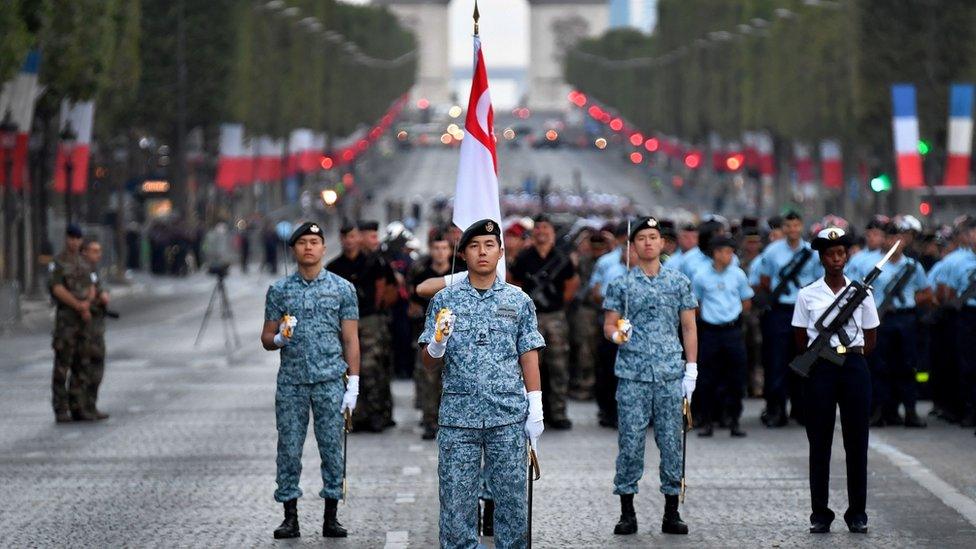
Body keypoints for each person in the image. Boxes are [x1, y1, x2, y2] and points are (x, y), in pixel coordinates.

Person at [419, 219, 545, 549]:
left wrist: (536, 405)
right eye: (474, 246)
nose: (482, 252)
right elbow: (428, 362)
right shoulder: (444, 300)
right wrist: (437, 343)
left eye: (489, 245)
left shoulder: (519, 300)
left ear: (501, 252)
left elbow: (528, 352)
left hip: (507, 414)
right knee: (457, 502)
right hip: (459, 418)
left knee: (512, 503)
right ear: (463, 255)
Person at [262, 221, 361, 539]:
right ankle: (289, 515)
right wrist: (279, 338)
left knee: (332, 449)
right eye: (302, 242)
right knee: (289, 449)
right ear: (294, 249)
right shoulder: (279, 290)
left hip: (330, 380)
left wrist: (354, 382)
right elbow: (265, 337)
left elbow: (351, 339)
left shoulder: (342, 289)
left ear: (323, 247)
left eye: (314, 241)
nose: (308, 247)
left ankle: (331, 515)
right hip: (292, 382)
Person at [603, 216, 698, 536]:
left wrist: (692, 368)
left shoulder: (678, 282)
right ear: (633, 245)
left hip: (670, 372)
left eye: (653, 237)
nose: (647, 242)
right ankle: (627, 510)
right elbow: (608, 324)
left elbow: (688, 326)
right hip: (632, 373)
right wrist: (618, 335)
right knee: (630, 444)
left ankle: (672, 510)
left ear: (662, 243)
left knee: (672, 443)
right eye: (641, 237)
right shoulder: (621, 284)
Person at [792, 227, 879, 534]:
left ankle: (857, 513)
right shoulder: (807, 295)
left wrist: (850, 357)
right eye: (830, 254)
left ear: (847, 256)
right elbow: (801, 338)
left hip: (853, 366)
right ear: (822, 258)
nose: (836, 259)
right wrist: (825, 358)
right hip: (821, 370)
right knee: (820, 443)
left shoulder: (862, 294)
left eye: (841, 253)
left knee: (857, 442)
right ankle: (820, 513)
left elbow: (870, 337)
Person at [509, 214, 578, 429]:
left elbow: (572, 283)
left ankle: (558, 412)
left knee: (558, 365)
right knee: (530, 366)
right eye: (538, 228)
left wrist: (559, 304)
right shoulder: (524, 257)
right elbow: (514, 282)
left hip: (555, 316)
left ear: (552, 232)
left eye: (546, 227)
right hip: (530, 318)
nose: (542, 231)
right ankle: (529, 411)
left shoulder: (561, 257)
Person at [756, 211, 823, 427]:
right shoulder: (773, 251)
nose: (792, 229)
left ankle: (801, 408)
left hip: (804, 311)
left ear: (801, 226)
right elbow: (765, 281)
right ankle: (777, 409)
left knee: (804, 359)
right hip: (781, 311)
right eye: (788, 225)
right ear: (783, 228)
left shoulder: (812, 253)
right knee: (777, 361)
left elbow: (817, 282)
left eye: (796, 225)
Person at [327, 223, 394, 432]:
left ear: (358, 238)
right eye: (345, 237)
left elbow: (385, 289)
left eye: (353, 236)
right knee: (348, 368)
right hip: (344, 322)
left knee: (371, 367)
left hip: (369, 318)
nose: (349, 241)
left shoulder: (373, 263)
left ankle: (376, 413)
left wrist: (378, 309)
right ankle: (355, 414)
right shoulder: (334, 267)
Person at [869, 221, 932, 428]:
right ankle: (880, 411)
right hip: (882, 319)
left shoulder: (912, 267)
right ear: (885, 241)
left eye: (899, 238)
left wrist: (912, 300)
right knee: (880, 367)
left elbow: (925, 292)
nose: (895, 242)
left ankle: (910, 412)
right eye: (890, 238)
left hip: (905, 319)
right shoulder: (875, 265)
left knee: (907, 366)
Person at [692, 236, 753, 437]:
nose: (726, 256)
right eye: (722, 252)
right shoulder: (701, 275)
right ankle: (708, 420)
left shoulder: (738, 275)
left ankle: (734, 420)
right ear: (714, 254)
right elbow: (696, 304)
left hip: (732, 331)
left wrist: (733, 318)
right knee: (708, 377)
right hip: (710, 331)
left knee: (736, 377)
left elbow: (746, 301)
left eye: (729, 252)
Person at [407, 229, 457, 440]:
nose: (440, 253)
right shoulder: (421, 271)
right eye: (436, 248)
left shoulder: (459, 272)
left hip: (455, 332)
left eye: (444, 248)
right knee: (428, 376)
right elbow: (412, 301)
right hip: (428, 330)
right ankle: (429, 420)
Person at [49, 224, 97, 423]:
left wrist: (87, 304)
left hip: (83, 321)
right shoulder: (58, 262)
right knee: (63, 365)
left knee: (82, 363)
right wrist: (78, 305)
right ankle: (61, 408)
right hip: (66, 321)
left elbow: (93, 285)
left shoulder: (85, 263)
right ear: (66, 239)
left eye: (77, 239)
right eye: (71, 238)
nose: (74, 242)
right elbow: (57, 288)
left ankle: (79, 406)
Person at [79, 238, 111, 420]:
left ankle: (90, 405)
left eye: (99, 251)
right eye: (94, 251)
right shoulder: (79, 271)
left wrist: (103, 293)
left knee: (96, 366)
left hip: (97, 325)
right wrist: (93, 299)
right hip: (84, 325)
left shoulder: (94, 272)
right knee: (84, 367)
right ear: (84, 252)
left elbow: (100, 288)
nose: (98, 255)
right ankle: (81, 406)